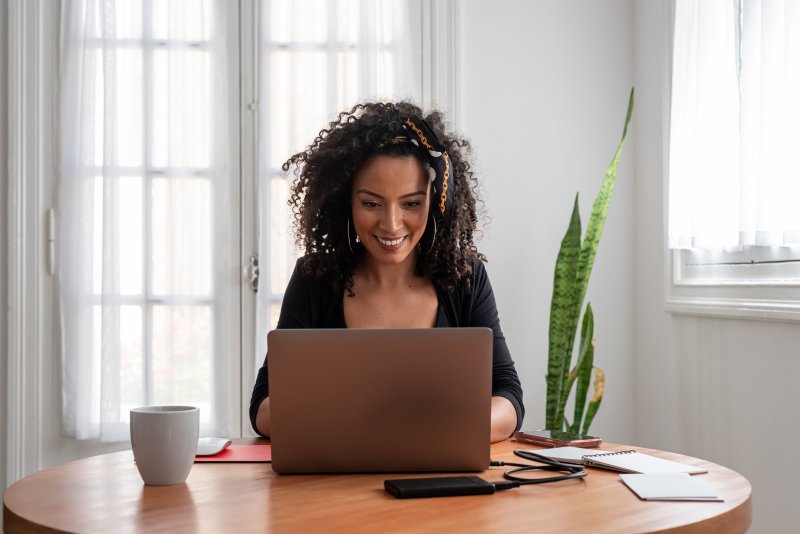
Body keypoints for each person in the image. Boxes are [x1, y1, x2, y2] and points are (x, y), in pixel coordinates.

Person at [249, 101, 524, 443]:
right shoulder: (313, 278)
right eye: (371, 203)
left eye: (411, 203)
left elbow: (508, 398)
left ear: (437, 201)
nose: (391, 225)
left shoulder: (466, 278)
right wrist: (373, 427)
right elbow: (264, 407)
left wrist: (427, 430)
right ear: (345, 201)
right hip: (335, 488)